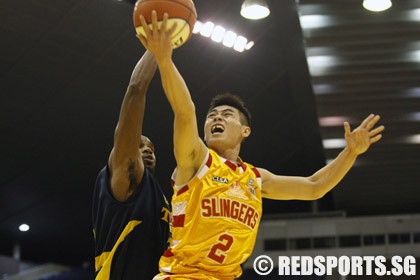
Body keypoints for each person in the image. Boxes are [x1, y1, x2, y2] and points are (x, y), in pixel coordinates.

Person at [138, 12, 385, 280]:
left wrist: (350, 153)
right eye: (212, 115)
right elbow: (185, 110)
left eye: (226, 114)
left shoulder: (255, 179)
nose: (216, 117)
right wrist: (164, 60)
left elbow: (315, 187)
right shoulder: (196, 158)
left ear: (246, 131)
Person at [92, 50, 171, 279]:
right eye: (139, 145)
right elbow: (136, 89)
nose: (147, 150)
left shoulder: (161, 198)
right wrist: (157, 47)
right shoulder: (125, 179)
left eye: (152, 148)